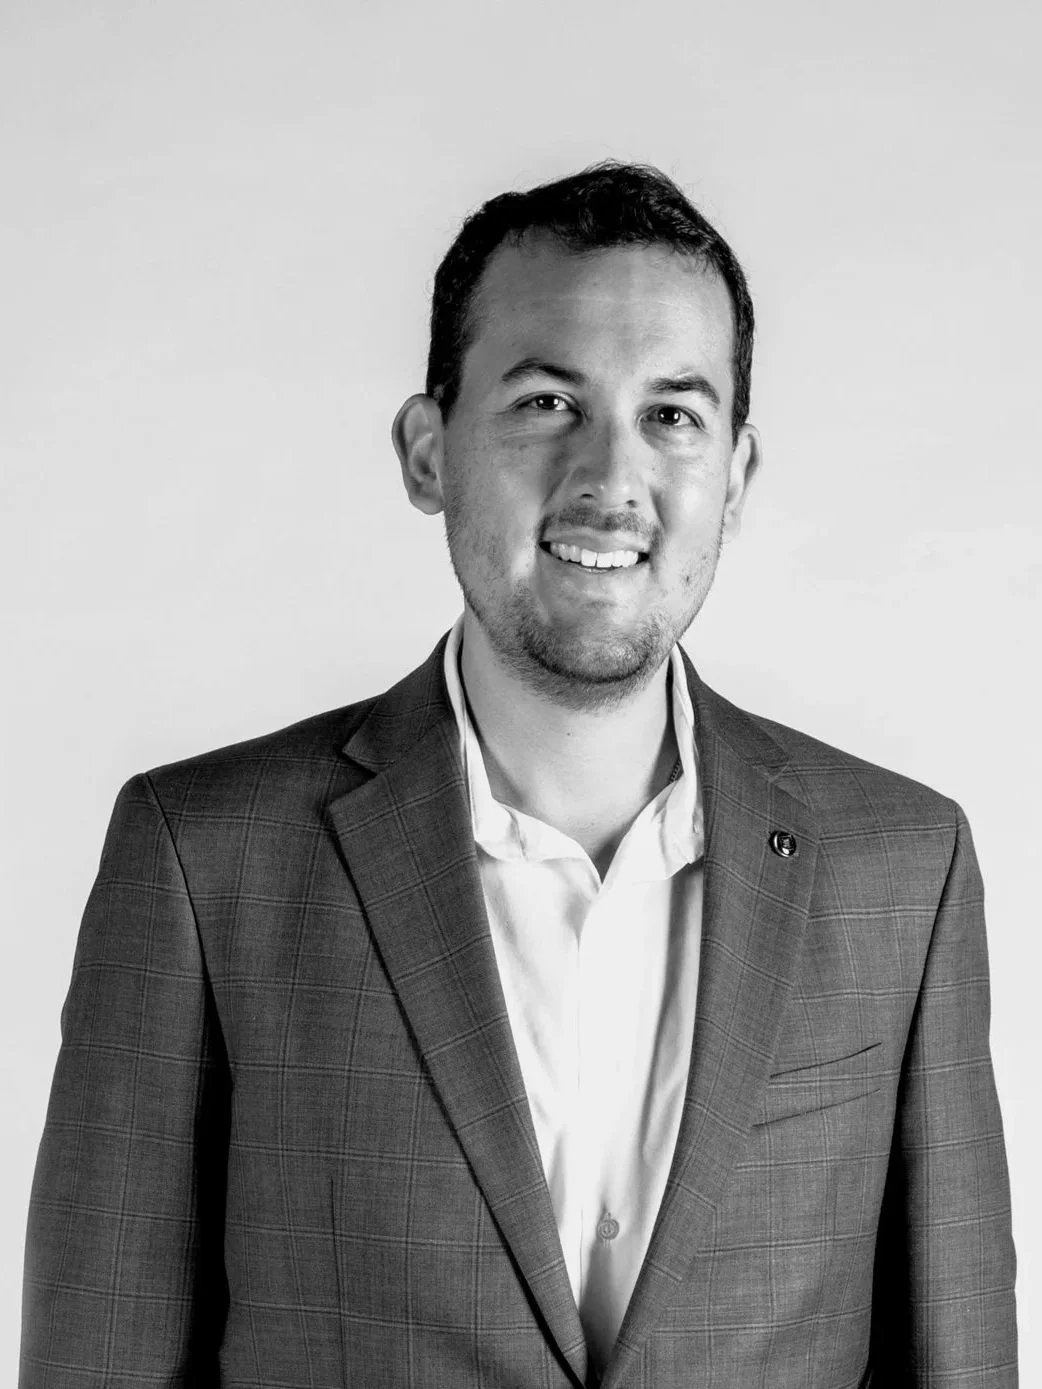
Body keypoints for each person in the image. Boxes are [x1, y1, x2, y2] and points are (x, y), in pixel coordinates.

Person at [21, 162, 1017, 1388]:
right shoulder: (201, 857)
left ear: (737, 478)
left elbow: (957, 1356)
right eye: (548, 402)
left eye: (671, 414)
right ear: (428, 452)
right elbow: (98, 1347)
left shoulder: (903, 869)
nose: (609, 478)